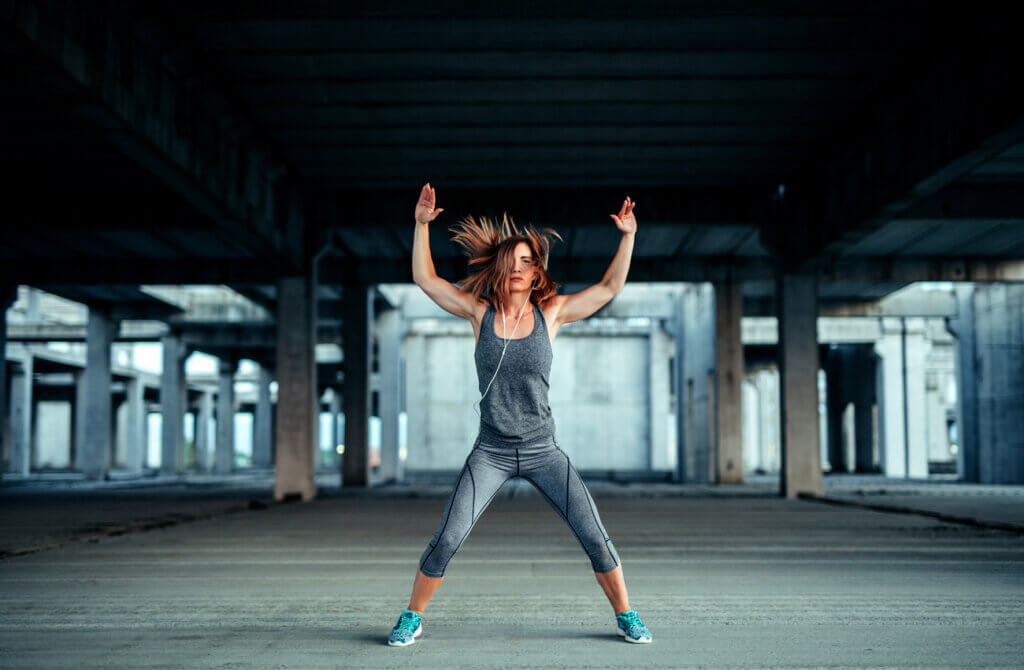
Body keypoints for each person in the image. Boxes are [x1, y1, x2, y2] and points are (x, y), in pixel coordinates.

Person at [387, 183, 652, 646]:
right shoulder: (479, 312)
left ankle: (626, 613)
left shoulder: (552, 314)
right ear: (502, 267)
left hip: (542, 450)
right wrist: (421, 226)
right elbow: (426, 280)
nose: (519, 267)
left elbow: (609, 288)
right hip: (490, 451)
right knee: (447, 537)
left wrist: (627, 237)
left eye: (529, 262)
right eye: (513, 260)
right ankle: (412, 615)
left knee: (594, 533)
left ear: (536, 274)